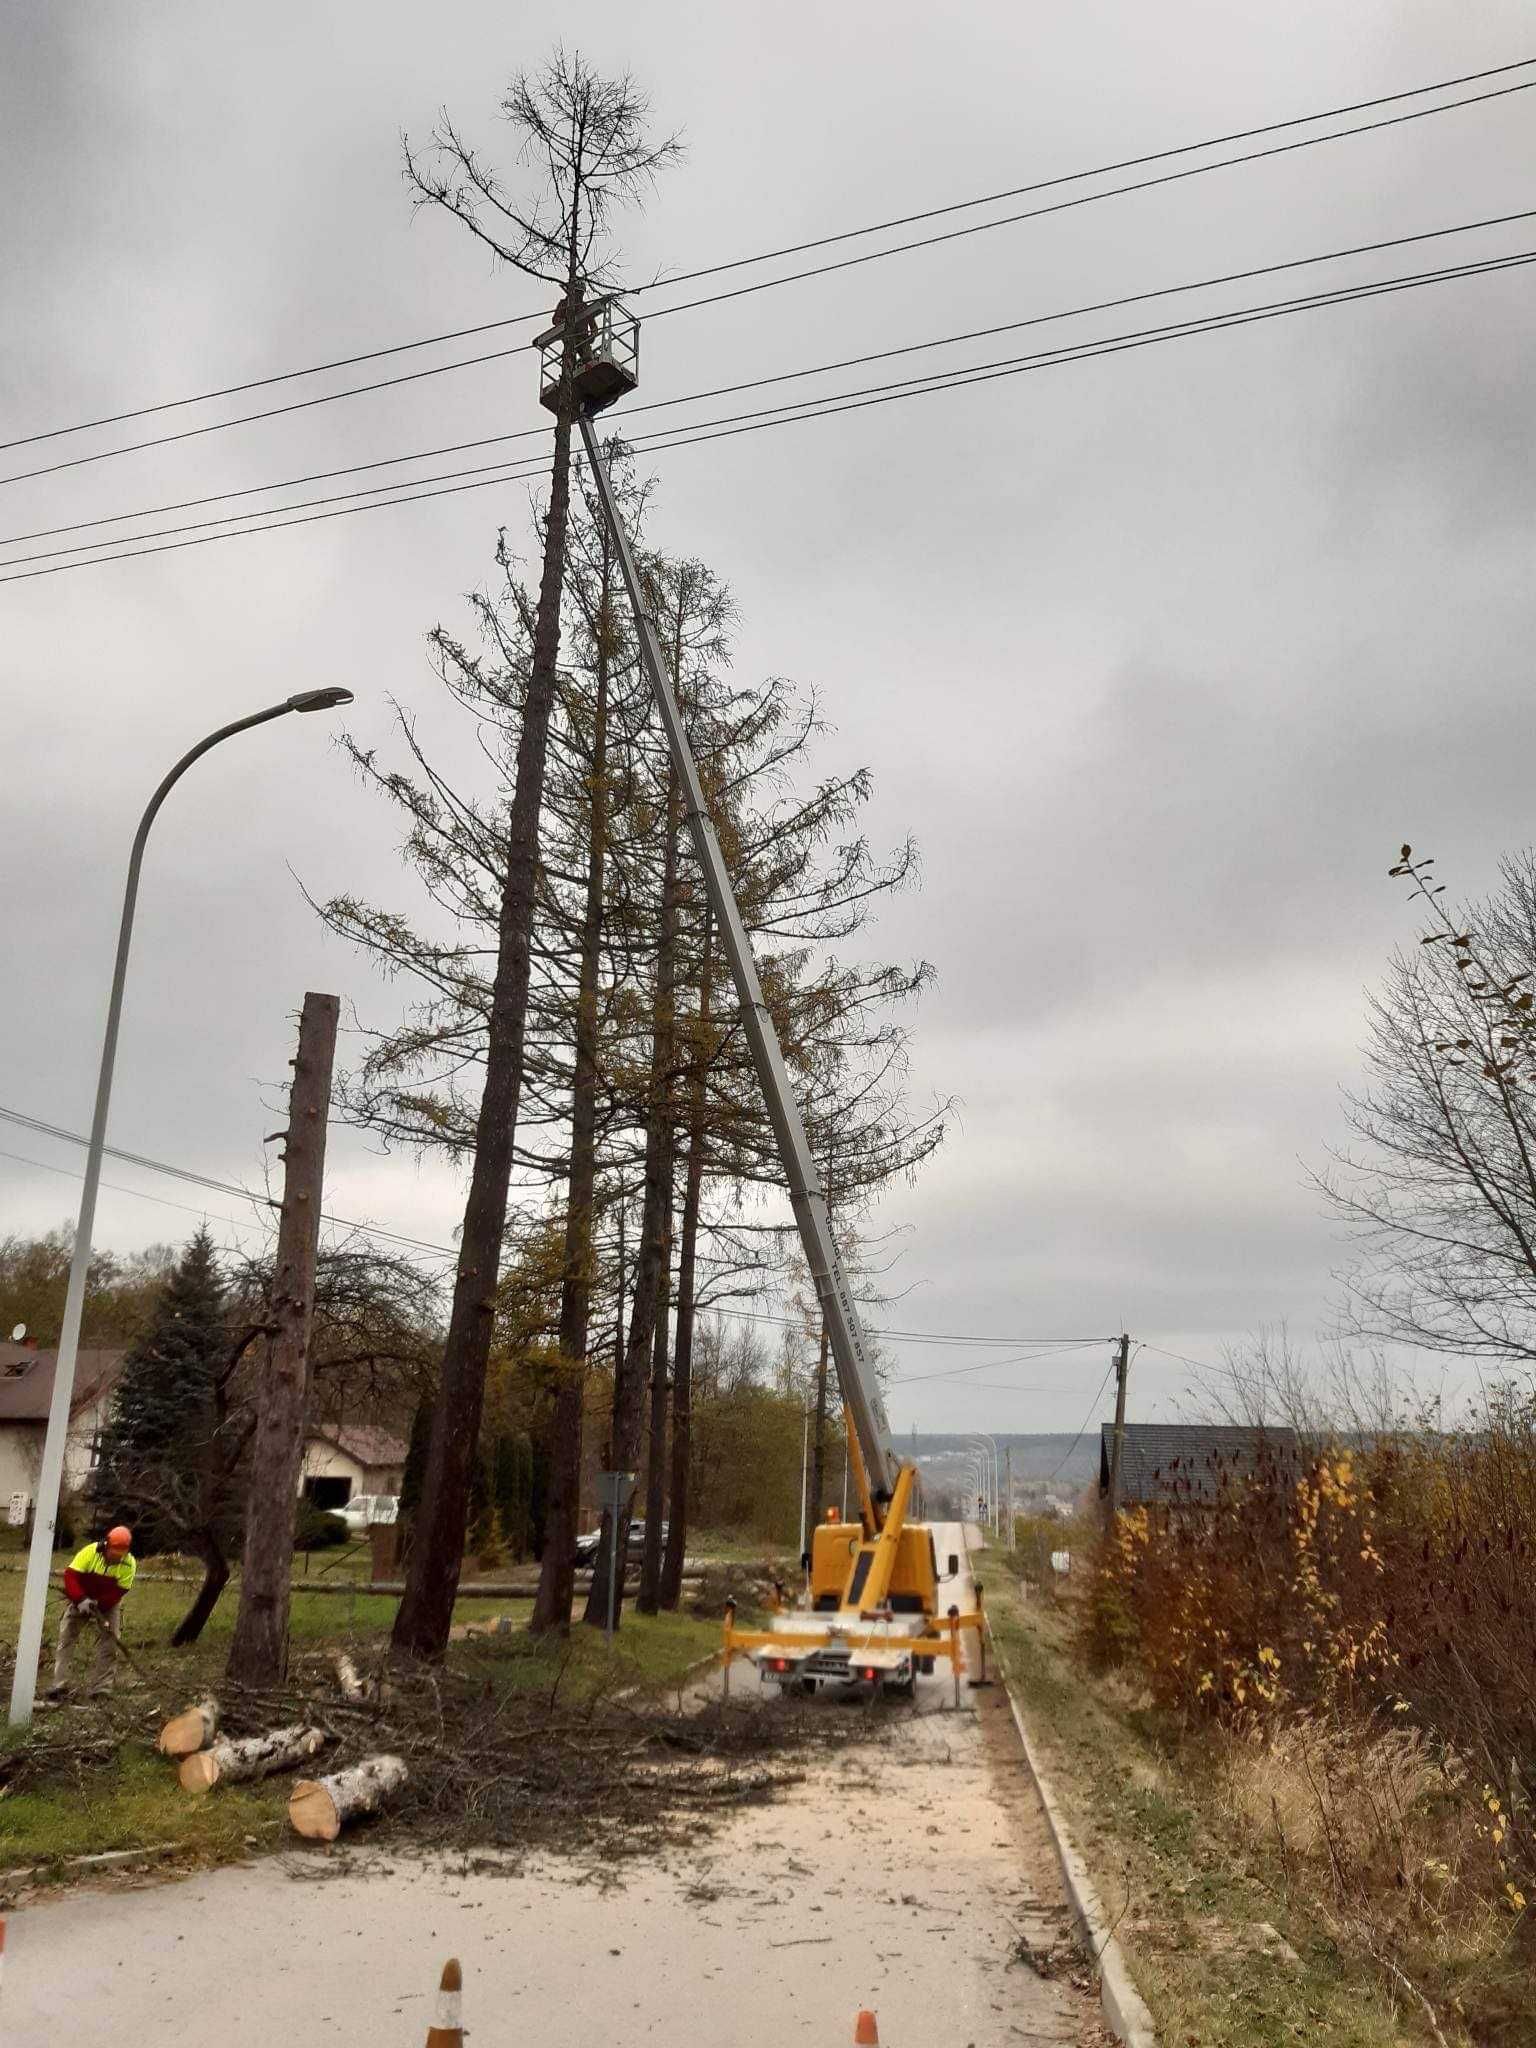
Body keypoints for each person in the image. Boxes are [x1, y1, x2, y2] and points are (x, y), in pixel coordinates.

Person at [51, 1525, 136, 1696]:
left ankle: (102, 1688)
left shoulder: (129, 1564)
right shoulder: (89, 1552)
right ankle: (60, 1685)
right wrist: (80, 1599)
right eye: (113, 1554)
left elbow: (119, 1591)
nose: (116, 1559)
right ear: (106, 1545)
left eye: (120, 1556)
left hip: (107, 1605)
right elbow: (71, 1576)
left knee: (110, 1642)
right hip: (80, 1599)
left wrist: (99, 1604)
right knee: (66, 1637)